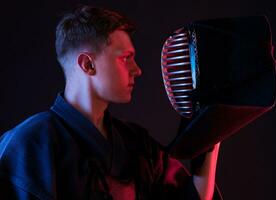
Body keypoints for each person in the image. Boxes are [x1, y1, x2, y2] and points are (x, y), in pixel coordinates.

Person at [0, 5, 221, 200]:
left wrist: (212, 131)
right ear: (88, 64)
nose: (137, 69)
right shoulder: (28, 144)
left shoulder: (137, 143)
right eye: (126, 58)